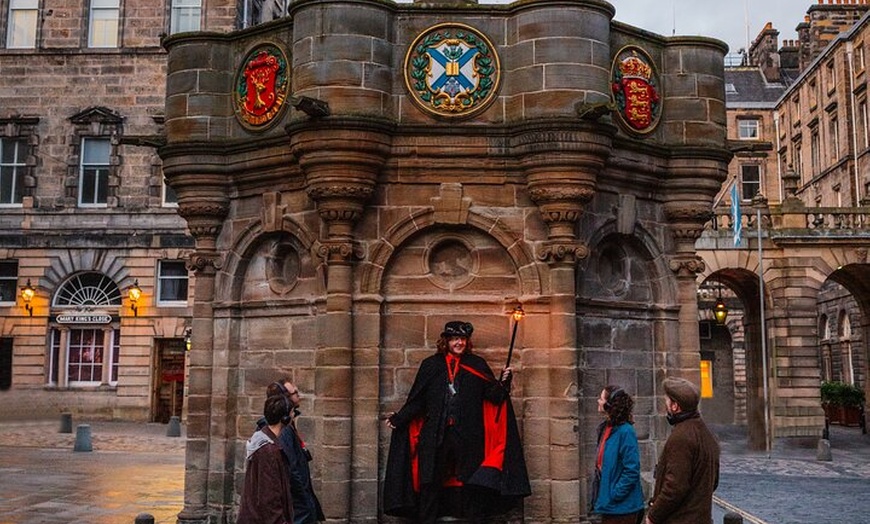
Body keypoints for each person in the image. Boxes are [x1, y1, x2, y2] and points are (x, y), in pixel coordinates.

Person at [383, 320, 531, 522]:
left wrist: (504, 382)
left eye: (462, 339)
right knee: (430, 482)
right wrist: (399, 419)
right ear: (446, 341)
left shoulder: (476, 364)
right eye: (454, 339)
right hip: (436, 434)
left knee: (472, 482)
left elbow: (494, 397)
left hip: (469, 436)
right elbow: (418, 399)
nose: (459, 343)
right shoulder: (431, 365)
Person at [645, 377, 720, 524]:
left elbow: (674, 488)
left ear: (675, 406)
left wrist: (653, 516)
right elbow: (714, 482)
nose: (665, 404)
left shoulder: (681, 437)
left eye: (666, 401)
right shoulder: (707, 434)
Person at [260, 379, 325, 524]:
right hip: (296, 505)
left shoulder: (287, 426)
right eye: (294, 393)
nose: (298, 395)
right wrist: (305, 499)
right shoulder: (282, 430)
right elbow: (291, 468)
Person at [592, 386, 646, 524]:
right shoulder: (606, 429)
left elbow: (632, 469)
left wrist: (615, 494)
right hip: (610, 506)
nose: (598, 401)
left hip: (623, 508)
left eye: (601, 398)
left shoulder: (626, 432)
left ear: (609, 404)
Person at [237, 394, 294, 524]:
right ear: (284, 418)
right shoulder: (269, 450)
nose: (293, 416)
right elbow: (269, 499)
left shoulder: (264, 441)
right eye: (291, 413)